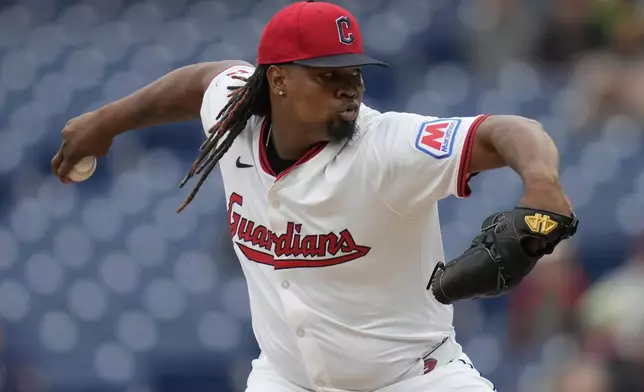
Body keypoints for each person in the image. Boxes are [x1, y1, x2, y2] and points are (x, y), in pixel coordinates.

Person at [51, 1, 575, 391]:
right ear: (277, 80)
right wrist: (105, 122)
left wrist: (543, 190)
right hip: (287, 379)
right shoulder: (236, 117)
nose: (349, 87)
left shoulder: (387, 148)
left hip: (415, 380)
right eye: (329, 75)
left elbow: (510, 130)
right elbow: (201, 82)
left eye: (354, 74)